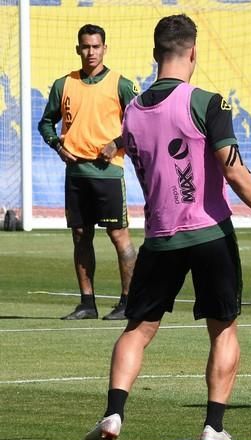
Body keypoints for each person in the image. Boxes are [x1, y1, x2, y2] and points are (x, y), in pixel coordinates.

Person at [83, 14, 251, 440]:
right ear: (193, 52)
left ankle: (113, 414)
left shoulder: (132, 111)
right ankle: (213, 426)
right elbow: (234, 170)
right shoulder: (208, 103)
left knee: (138, 330)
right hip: (209, 236)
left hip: (160, 238)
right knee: (223, 330)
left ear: (155, 54)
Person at [38, 24, 137, 321]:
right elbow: (45, 123)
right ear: (77, 49)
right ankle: (87, 303)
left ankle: (128, 302)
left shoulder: (122, 84)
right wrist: (57, 145)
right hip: (76, 174)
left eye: (96, 46)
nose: (91, 52)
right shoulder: (63, 84)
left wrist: (117, 143)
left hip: (108, 175)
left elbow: (142, 125)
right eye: (85, 46)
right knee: (81, 236)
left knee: (119, 236)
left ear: (105, 48)